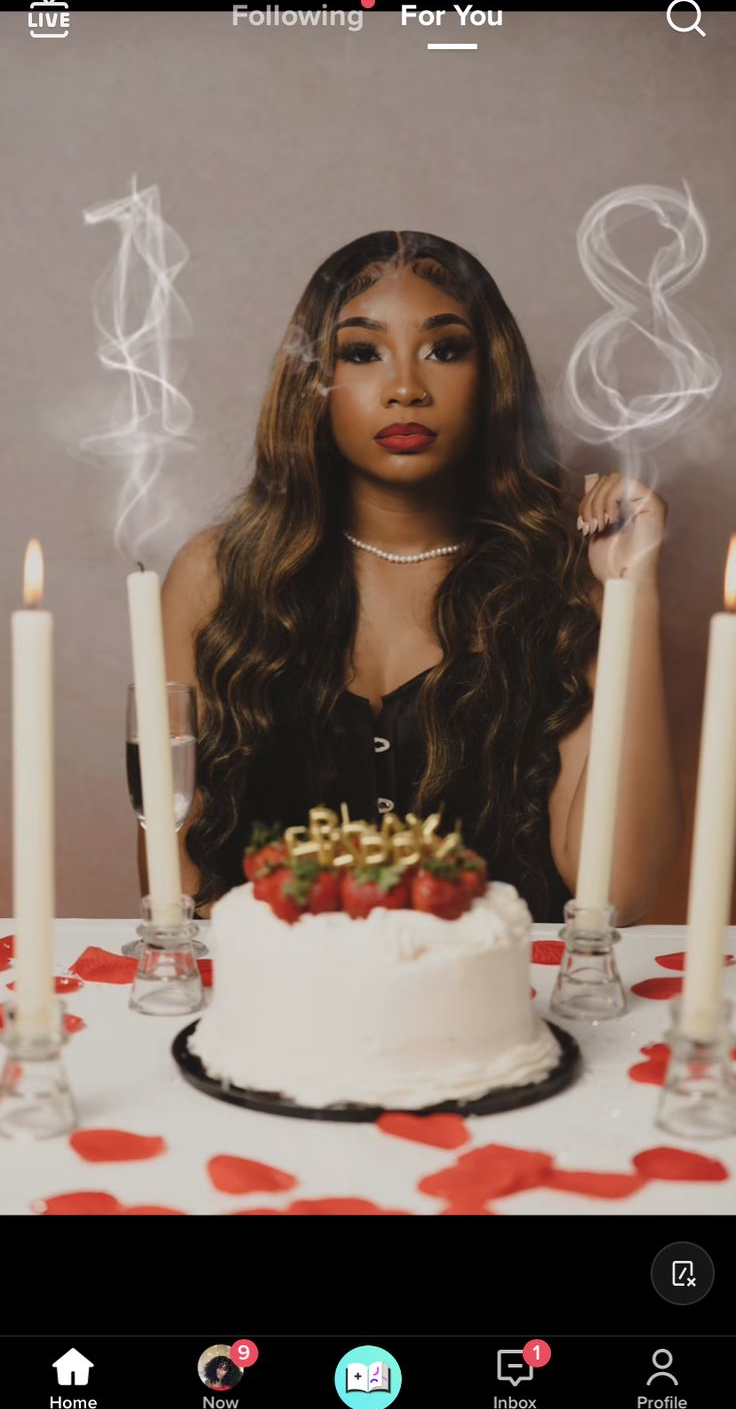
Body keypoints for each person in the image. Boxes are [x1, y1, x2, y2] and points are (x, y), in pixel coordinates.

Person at [140, 230, 683, 925]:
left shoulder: (563, 576)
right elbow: (174, 890)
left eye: (446, 350)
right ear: (315, 381)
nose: (404, 389)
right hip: (279, 1014)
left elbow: (619, 892)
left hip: (504, 1011)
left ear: (492, 377)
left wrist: (630, 589)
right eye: (361, 353)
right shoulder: (216, 578)